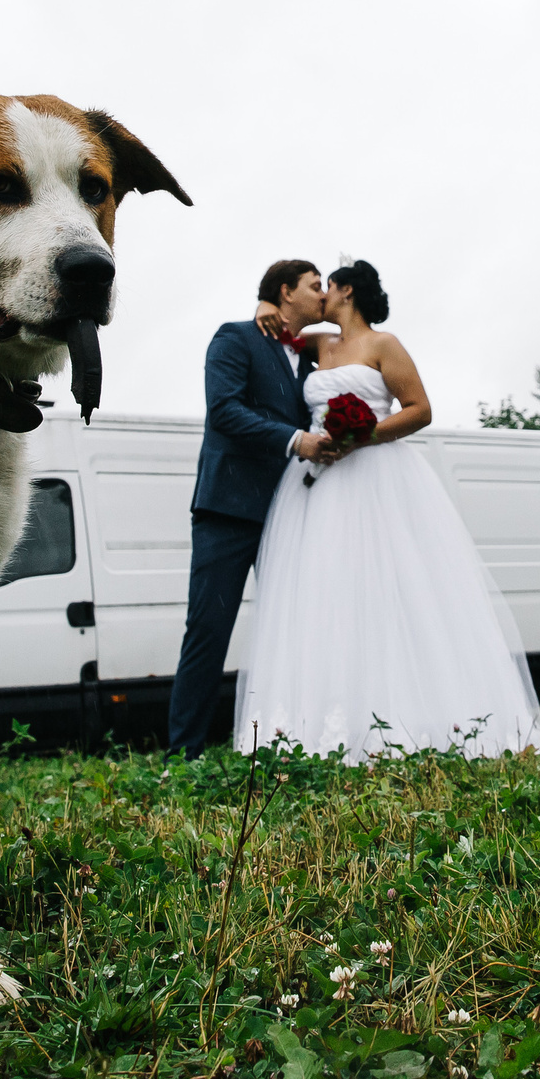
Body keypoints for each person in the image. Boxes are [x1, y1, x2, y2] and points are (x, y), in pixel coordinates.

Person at [233, 259, 540, 763]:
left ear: (347, 291)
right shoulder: (318, 345)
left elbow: (419, 409)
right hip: (318, 484)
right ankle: (325, 721)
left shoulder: (384, 345)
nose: (320, 296)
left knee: (391, 590)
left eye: (326, 287)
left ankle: (414, 716)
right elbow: (278, 329)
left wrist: (363, 436)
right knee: (325, 593)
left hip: (378, 475)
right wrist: (264, 304)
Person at [165, 259, 333, 758]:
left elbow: (348, 323)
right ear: (285, 291)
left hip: (292, 511)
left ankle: (300, 739)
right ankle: (183, 755)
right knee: (209, 630)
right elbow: (225, 410)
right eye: (314, 285)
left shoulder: (310, 355)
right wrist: (295, 438)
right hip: (229, 510)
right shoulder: (235, 337)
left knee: (296, 626)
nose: (323, 293)